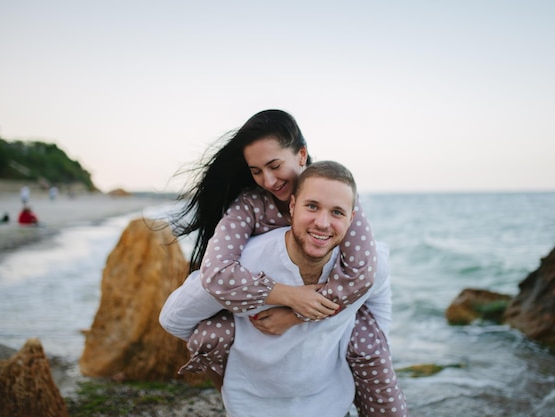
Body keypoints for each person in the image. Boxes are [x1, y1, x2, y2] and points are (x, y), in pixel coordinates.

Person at [166, 110, 402, 415]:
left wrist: (296, 315)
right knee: (208, 335)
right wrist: (287, 295)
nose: (268, 180)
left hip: (331, 317)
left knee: (371, 352)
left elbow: (361, 275)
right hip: (262, 316)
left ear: (301, 155)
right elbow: (215, 274)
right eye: (256, 170)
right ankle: (235, 396)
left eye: (275, 166)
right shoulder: (250, 203)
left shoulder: (333, 192)